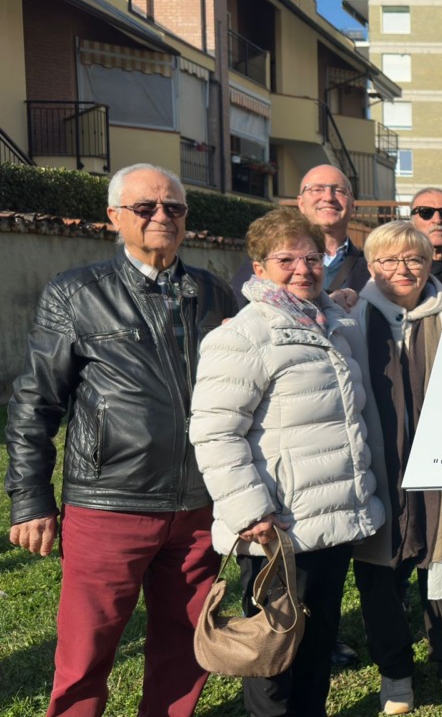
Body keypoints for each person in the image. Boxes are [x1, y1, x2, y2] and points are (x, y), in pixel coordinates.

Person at [5, 163, 237, 717]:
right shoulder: (77, 294)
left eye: (174, 208)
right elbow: (36, 401)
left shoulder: (214, 294)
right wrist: (31, 498)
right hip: (110, 503)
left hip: (200, 505)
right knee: (86, 650)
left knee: (186, 647)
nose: (162, 216)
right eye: (146, 207)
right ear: (114, 217)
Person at [189, 208, 385, 716]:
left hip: (329, 520)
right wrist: (250, 511)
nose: (303, 268)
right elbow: (214, 431)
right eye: (286, 259)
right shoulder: (244, 334)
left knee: (316, 647)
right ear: (258, 268)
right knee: (273, 655)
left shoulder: (329, 325)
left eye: (312, 257)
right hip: (276, 529)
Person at [349, 220, 442, 716]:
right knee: (379, 581)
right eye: (388, 260)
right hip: (379, 476)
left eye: (413, 259)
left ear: (430, 264)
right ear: (371, 267)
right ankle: (396, 676)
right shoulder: (347, 322)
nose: (402, 270)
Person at [231, 165, 369, 309]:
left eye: (339, 190)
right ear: (301, 203)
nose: (328, 197)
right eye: (316, 189)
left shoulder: (376, 269)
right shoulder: (266, 259)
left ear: (353, 205)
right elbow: (240, 312)